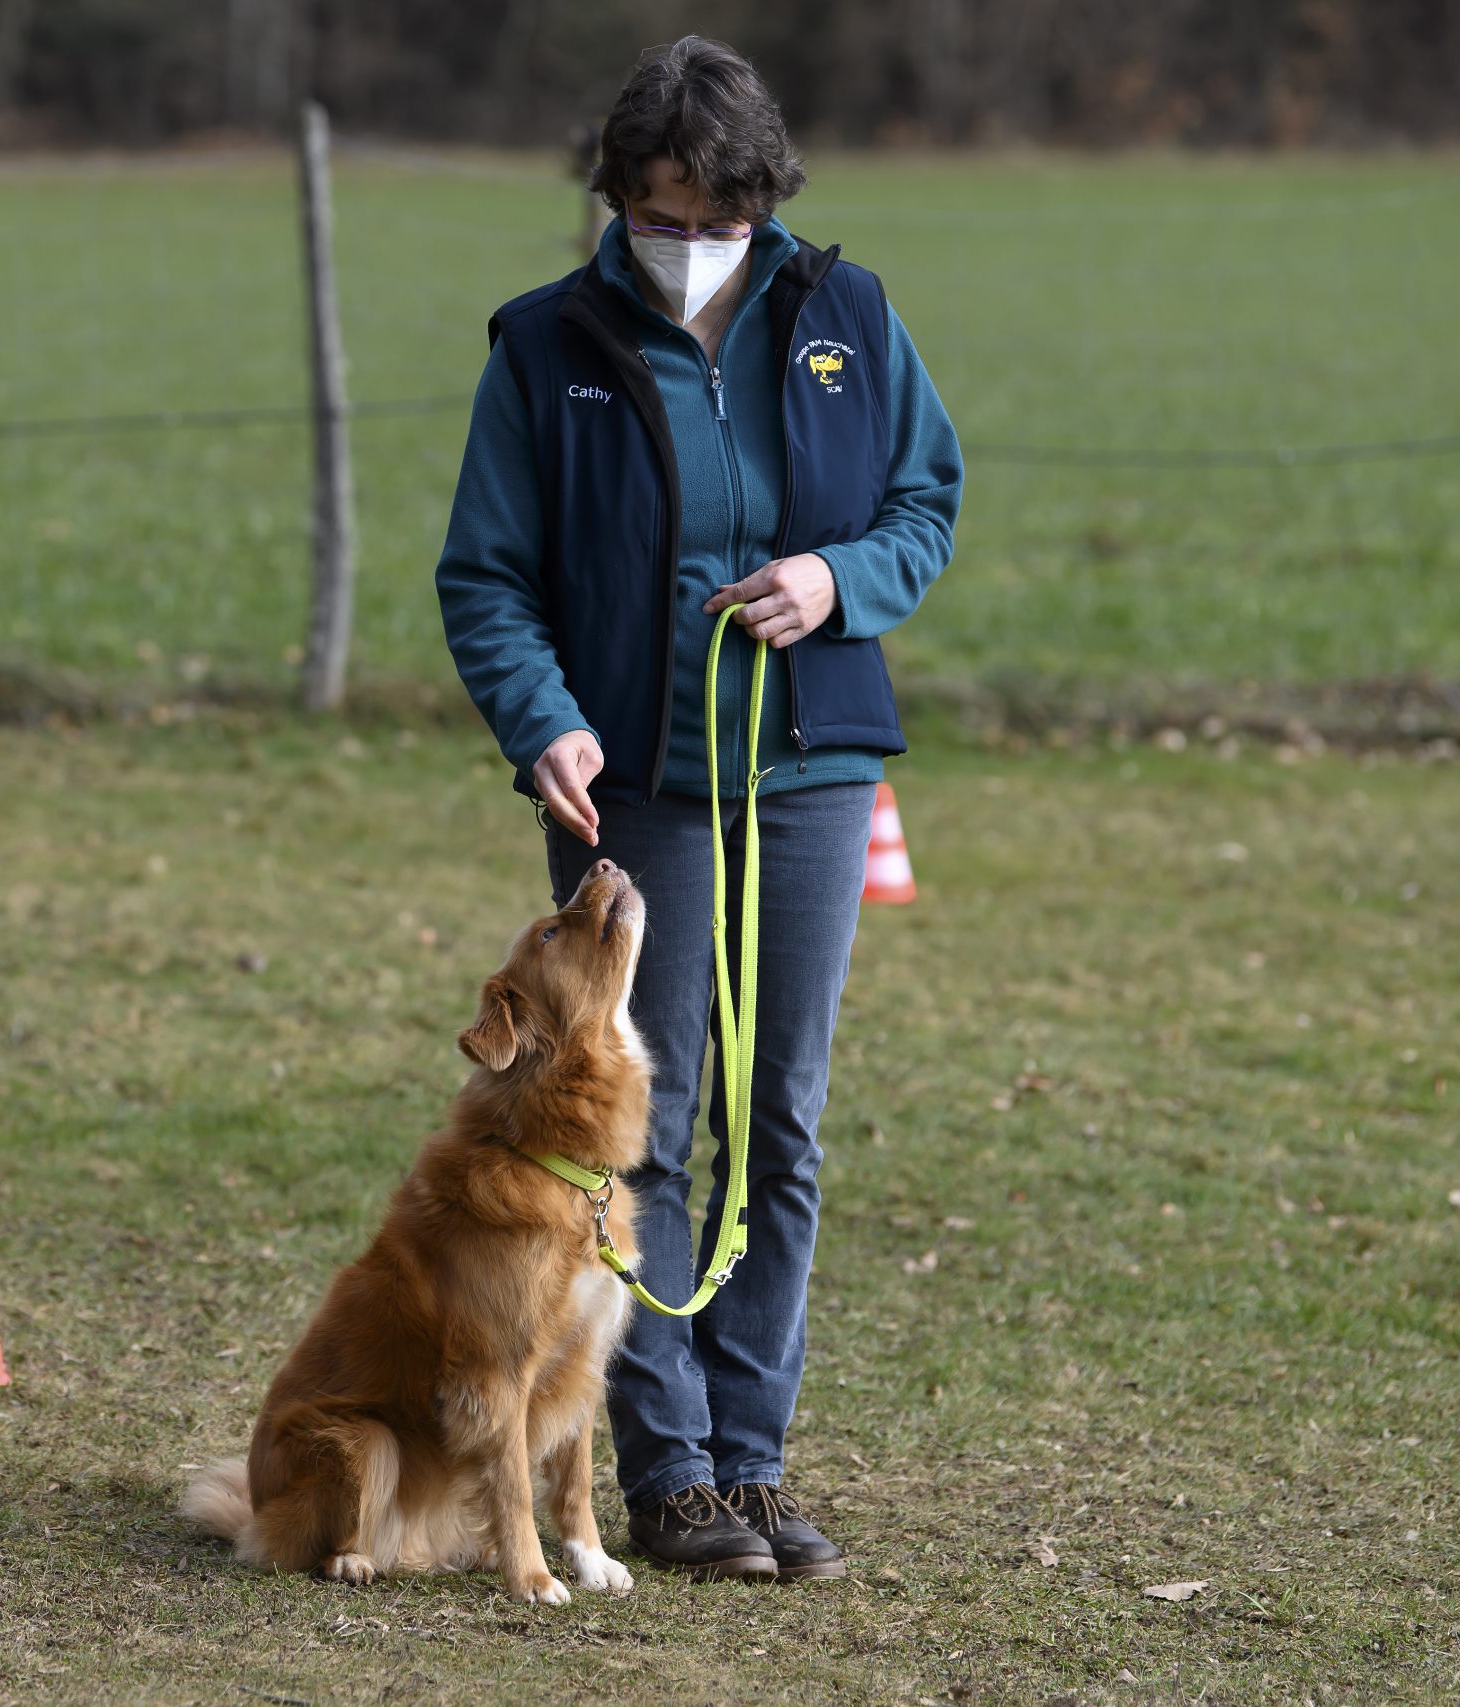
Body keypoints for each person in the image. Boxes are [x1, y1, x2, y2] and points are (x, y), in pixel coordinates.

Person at [434, 35, 963, 1582]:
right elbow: (487, 575)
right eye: (654, 212)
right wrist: (546, 720)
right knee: (631, 1140)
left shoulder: (847, 317)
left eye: (710, 216)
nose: (683, 241)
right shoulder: (546, 346)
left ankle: (753, 1456)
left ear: (760, 200)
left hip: (810, 776)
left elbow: (927, 501)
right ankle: (663, 1473)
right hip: (638, 799)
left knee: (779, 1120)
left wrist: (837, 578)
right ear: (617, 199)